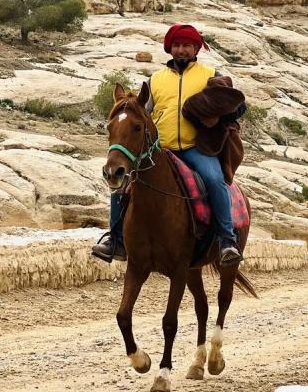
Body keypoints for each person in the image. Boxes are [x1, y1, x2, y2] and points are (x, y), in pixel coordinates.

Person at [92, 23, 243, 265]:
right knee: (122, 185)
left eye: (187, 46)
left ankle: (226, 240)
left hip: (196, 148)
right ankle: (116, 241)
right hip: (161, 150)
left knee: (214, 179)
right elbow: (141, 113)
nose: (181, 50)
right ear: (169, 49)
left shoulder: (210, 75)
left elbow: (237, 106)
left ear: (196, 49)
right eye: (177, 45)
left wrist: (217, 115)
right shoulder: (155, 81)